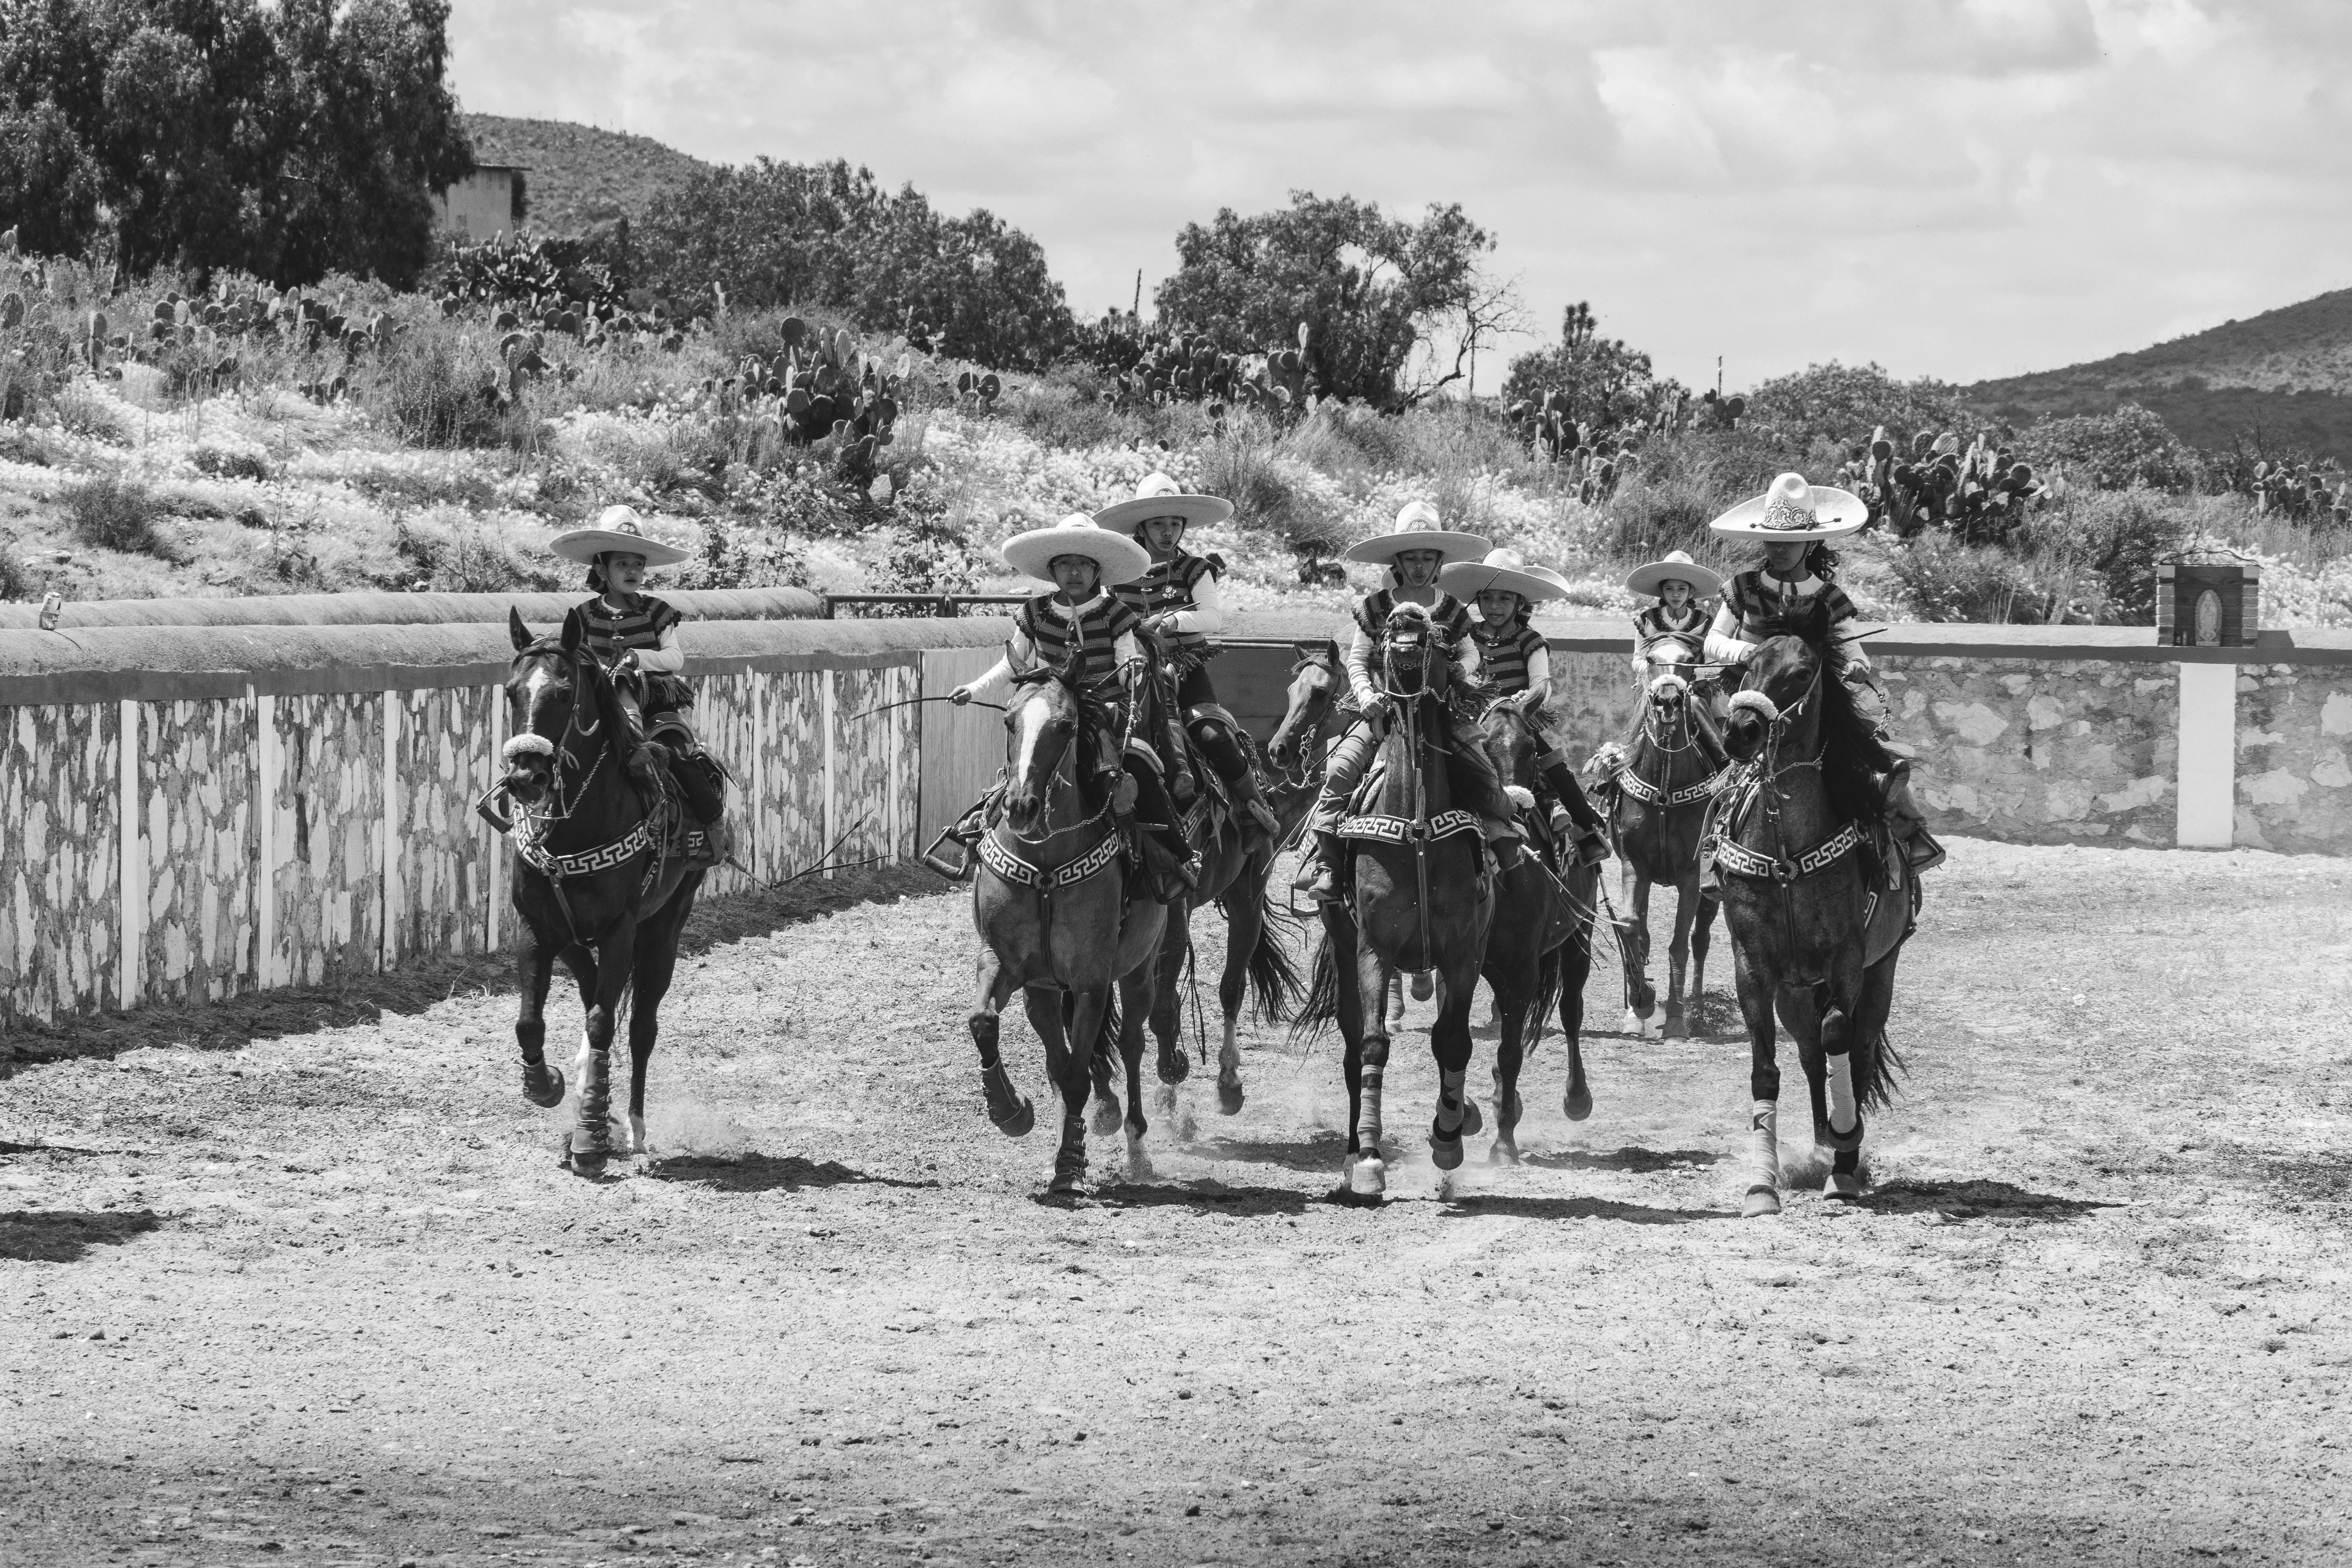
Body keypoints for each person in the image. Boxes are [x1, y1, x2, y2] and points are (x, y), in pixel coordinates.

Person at [951, 514, 1197, 902]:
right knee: (1021, 765)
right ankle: (981, 825)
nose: (1074, 572)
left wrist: (1132, 672)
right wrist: (973, 687)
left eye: (1083, 564)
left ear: (1097, 569)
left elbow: (1126, 658)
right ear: (1052, 570)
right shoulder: (1034, 612)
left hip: (1100, 710)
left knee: (1134, 773)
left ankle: (1174, 851)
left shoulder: (1115, 613)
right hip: (1047, 708)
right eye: (1065, 564)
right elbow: (1011, 661)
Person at [1703, 472, 1941, 871]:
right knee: (1710, 776)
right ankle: (1710, 858)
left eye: (1790, 541)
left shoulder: (1829, 598)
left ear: (1811, 542)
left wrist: (1857, 665)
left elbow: (1854, 649)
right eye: (1772, 540)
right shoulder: (1741, 588)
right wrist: (1756, 654)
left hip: (1808, 708)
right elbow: (1712, 642)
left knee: (1866, 756)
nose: (1779, 549)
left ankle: (1908, 834)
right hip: (1747, 700)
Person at [1289, 502, 1525, 904]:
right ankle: (1328, 864)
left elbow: (1470, 654)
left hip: (1442, 710)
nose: (1419, 565)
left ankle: (1502, 833)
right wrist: (1365, 696)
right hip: (1382, 712)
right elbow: (1358, 659)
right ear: (1398, 561)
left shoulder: (1450, 607)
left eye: (1427, 558)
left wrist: (1459, 673)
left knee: (1481, 765)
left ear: (1439, 562)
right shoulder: (1375, 607)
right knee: (1340, 768)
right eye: (1411, 558)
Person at [1095, 472, 1283, 849]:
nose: (1167, 532)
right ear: (1142, 527)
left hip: (1186, 664)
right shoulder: (1113, 573)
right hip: (1128, 670)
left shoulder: (1195, 569)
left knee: (1211, 737)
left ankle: (1253, 809)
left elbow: (1213, 618)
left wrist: (1172, 621)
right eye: (1158, 524)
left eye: (1174, 524)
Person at [547, 506, 726, 824]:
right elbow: (577, 659)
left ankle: (712, 828)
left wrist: (636, 658)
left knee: (681, 757)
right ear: (602, 571)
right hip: (601, 704)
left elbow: (675, 658)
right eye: (622, 564)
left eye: (638, 565)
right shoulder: (585, 615)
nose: (632, 571)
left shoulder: (657, 612)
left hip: (652, 700)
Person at [1437, 547, 1611, 866]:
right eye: (1488, 598)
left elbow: (1541, 684)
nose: (1495, 606)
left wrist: (1525, 702)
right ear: (1478, 601)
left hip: (1519, 718)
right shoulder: (1466, 638)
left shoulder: (1530, 640)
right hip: (1472, 721)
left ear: (1519, 602)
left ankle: (1586, 830)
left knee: (1554, 767)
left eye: (1505, 598)